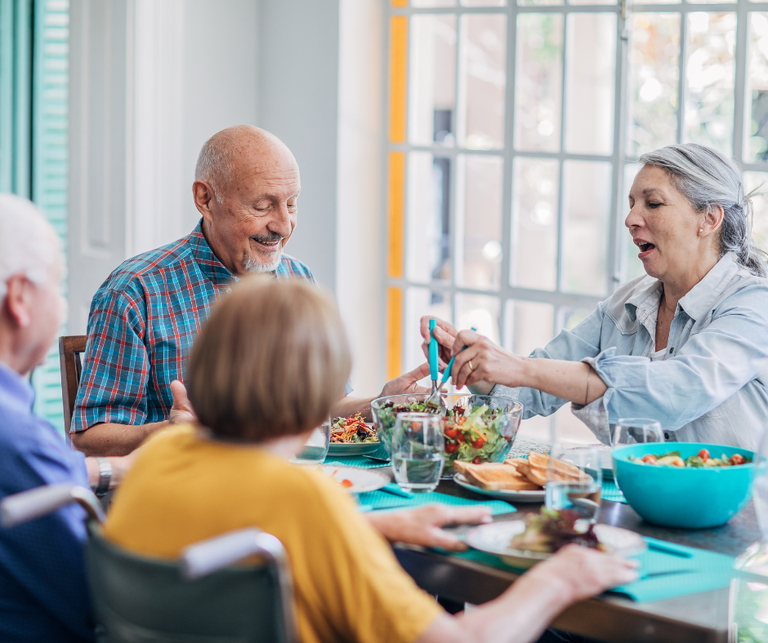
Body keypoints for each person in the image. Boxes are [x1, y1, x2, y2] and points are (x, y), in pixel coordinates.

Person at [104, 276, 637, 643]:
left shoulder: (161, 455)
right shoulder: (302, 498)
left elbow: (255, 531)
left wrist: (377, 525)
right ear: (319, 395)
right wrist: (558, 580)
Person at [71, 125, 429, 457]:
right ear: (205, 199)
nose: (284, 226)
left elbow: (321, 410)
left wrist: (381, 404)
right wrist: (170, 431)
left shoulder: (298, 279)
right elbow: (89, 438)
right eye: (262, 206)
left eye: (291, 204)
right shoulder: (134, 292)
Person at [423, 144, 768, 449]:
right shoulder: (625, 304)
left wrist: (520, 368)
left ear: (709, 219)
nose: (631, 218)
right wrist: (475, 366)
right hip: (640, 508)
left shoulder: (753, 303)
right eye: (632, 204)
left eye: (653, 203)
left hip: (739, 519)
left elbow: (679, 390)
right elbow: (532, 391)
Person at [0, 195, 133, 643]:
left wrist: (124, 467)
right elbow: (105, 602)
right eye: (57, 288)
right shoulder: (16, 438)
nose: (61, 307)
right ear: (19, 298)